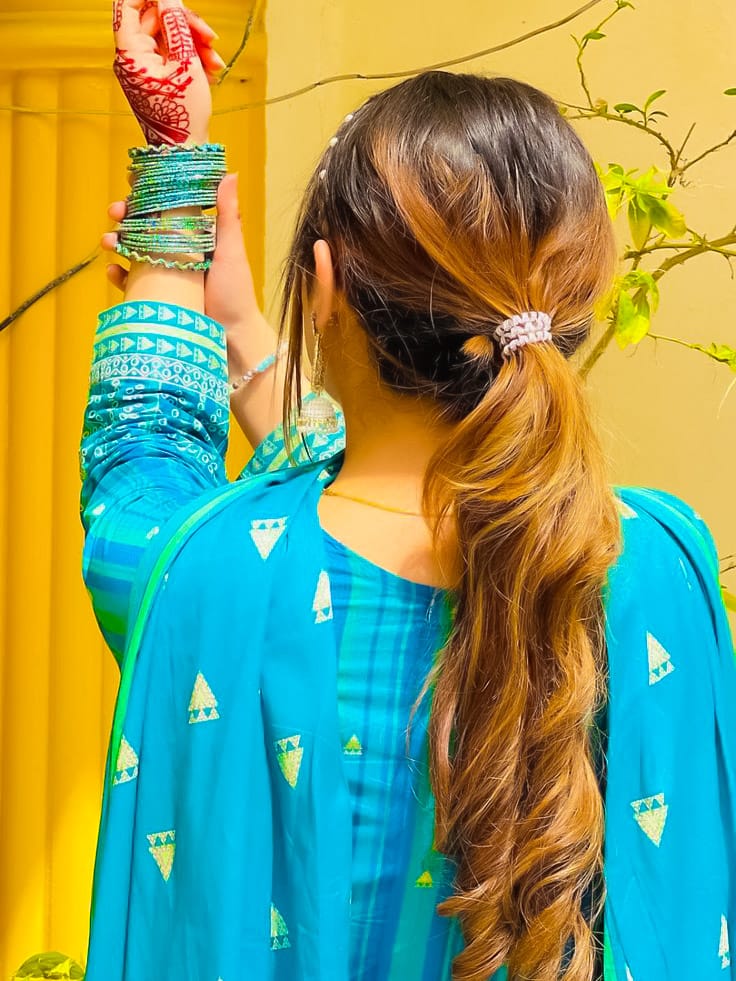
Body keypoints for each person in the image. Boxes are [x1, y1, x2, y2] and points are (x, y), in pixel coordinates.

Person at [80, 1, 736, 978]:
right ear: (572, 301)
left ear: (328, 285)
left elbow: (139, 493)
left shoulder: (216, 576)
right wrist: (251, 331)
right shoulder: (650, 565)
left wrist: (175, 204)